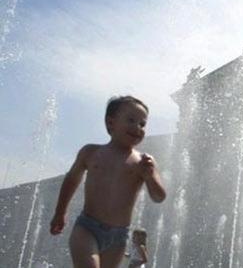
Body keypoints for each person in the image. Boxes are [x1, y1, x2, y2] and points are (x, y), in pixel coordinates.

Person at [49, 96, 166, 268]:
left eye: (142, 124)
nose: (137, 127)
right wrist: (60, 212)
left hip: (119, 237)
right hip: (87, 228)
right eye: (131, 120)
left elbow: (158, 197)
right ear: (111, 123)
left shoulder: (144, 162)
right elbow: (72, 179)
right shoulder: (90, 152)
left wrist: (149, 176)